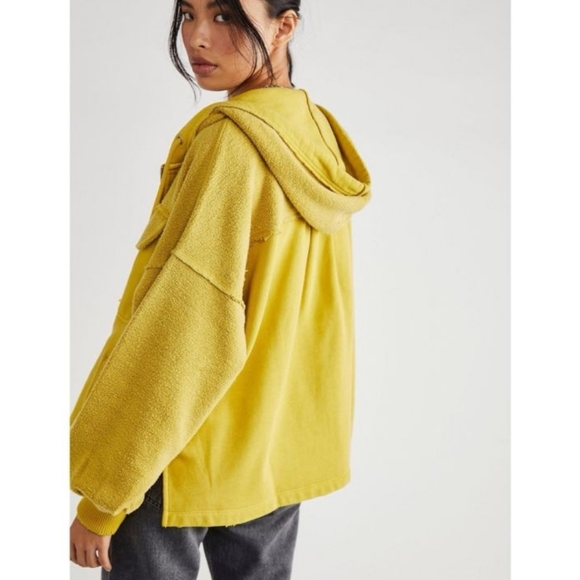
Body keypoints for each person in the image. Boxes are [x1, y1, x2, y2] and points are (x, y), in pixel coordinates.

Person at [69, 0, 371, 578]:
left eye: (226, 15)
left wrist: (105, 499)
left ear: (285, 25)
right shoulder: (313, 131)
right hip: (273, 450)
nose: (197, 38)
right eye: (188, 13)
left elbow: (186, 326)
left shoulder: (230, 141)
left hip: (180, 454)